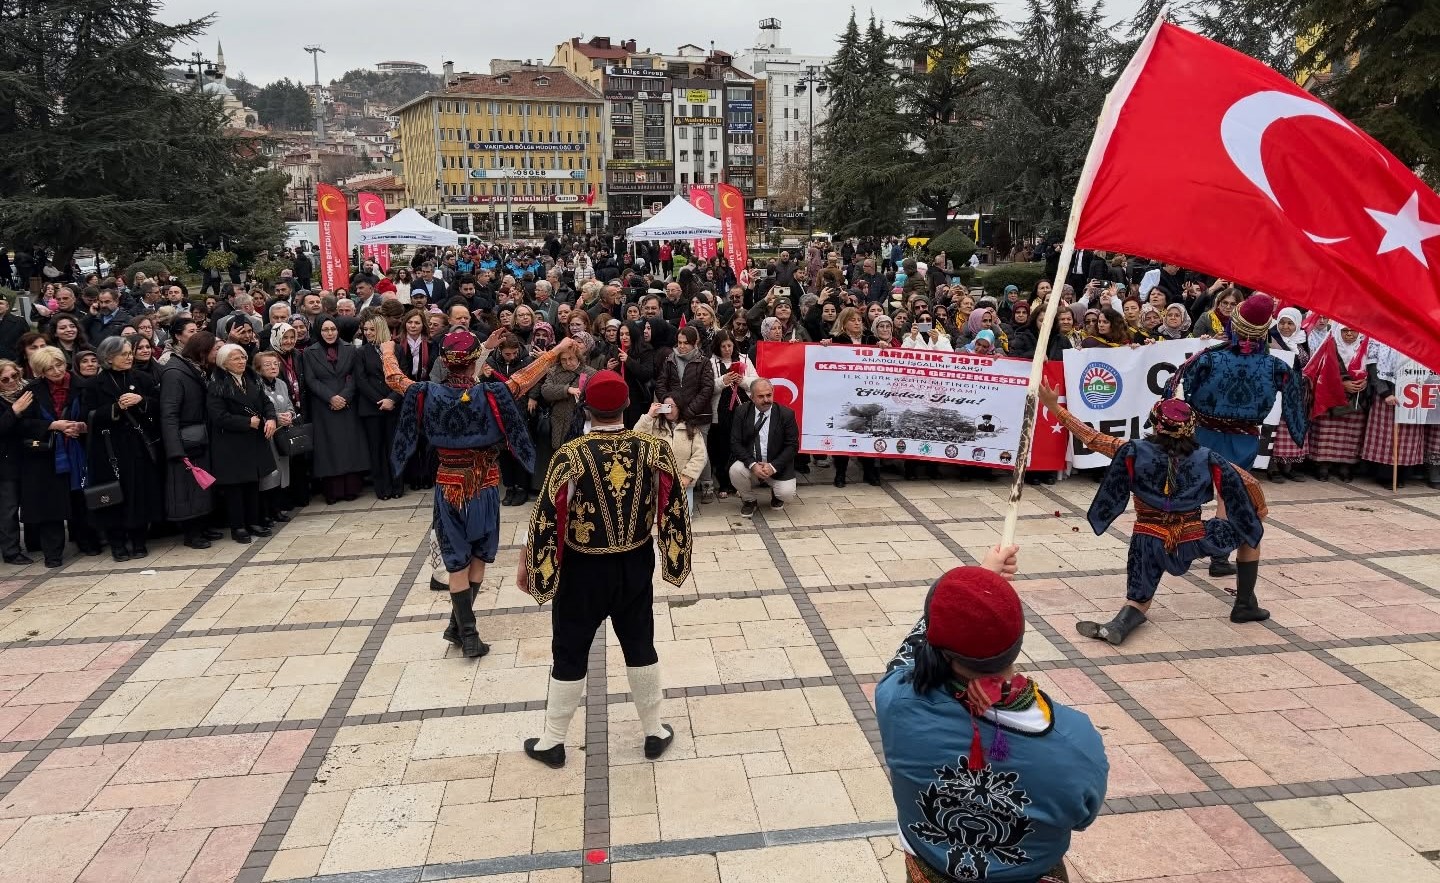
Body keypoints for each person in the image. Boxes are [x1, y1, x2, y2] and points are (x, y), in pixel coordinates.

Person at [877, 544, 1107, 883]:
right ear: (1018, 640)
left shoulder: (896, 701)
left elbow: (909, 652)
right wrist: (984, 593)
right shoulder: (1074, 740)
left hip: (930, 870)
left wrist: (980, 581)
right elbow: (1082, 816)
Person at [519, 370, 692, 768]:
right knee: (639, 643)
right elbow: (673, 504)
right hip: (634, 562)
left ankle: (553, 740)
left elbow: (548, 514)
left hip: (582, 568)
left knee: (570, 649)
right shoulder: (654, 449)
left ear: (586, 406)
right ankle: (653, 731)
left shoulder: (572, 454)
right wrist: (674, 555)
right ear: (627, 404)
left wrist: (535, 564)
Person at [382, 330, 572, 658]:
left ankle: (461, 629)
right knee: (479, 554)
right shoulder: (493, 393)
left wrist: (387, 350)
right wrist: (557, 350)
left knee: (456, 559)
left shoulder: (425, 393)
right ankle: (466, 633)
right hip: (484, 484)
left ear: (444, 361)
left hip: (448, 483)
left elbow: (393, 377)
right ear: (474, 363)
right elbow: (526, 378)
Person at [1038, 383, 1270, 642]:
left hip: (1147, 538)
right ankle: (1245, 605)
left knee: (1138, 600)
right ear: (1190, 429)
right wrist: (1259, 511)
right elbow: (1248, 481)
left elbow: (1091, 438)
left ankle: (1119, 625)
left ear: (1154, 423)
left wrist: (1053, 406)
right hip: (1193, 536)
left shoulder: (1133, 450)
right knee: (1252, 535)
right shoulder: (1208, 457)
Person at [1167, 293, 1306, 585]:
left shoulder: (1209, 357)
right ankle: (1219, 557)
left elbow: (1179, 384)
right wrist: (1297, 430)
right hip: (1244, 438)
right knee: (1229, 495)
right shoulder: (1277, 367)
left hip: (1204, 432)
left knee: (1190, 489)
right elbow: (1295, 399)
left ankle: (1178, 547)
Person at [84, 337, 164, 561]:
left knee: (139, 493)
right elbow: (88, 416)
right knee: (112, 496)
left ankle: (139, 540)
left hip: (138, 445)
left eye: (130, 352)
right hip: (109, 448)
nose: (130, 357)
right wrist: (115, 407)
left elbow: (158, 406)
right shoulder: (94, 384)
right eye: (124, 354)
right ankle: (117, 543)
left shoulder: (142, 378)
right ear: (108, 358)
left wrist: (141, 400)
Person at [17, 346, 98, 565]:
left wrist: (79, 427)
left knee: (81, 497)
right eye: (49, 368)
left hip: (78, 449)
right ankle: (52, 553)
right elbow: (22, 423)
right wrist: (53, 425)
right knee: (50, 504)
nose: (56, 370)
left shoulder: (83, 386)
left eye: (59, 364)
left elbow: (95, 415)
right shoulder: (32, 391)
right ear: (39, 371)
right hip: (46, 454)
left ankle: (87, 541)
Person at [207, 343, 277, 543]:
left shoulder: (251, 378)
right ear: (224, 362)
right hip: (231, 443)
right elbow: (218, 416)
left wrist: (271, 418)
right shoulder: (216, 384)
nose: (241, 362)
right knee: (235, 488)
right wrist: (247, 422)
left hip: (252, 441)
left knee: (252, 483)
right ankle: (238, 526)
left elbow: (266, 402)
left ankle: (253, 521)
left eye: (243, 357)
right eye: (235, 358)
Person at [159, 331, 220, 549]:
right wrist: (175, 448)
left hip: (200, 437)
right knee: (187, 488)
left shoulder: (199, 370)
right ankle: (191, 533)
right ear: (202, 351)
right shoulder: (175, 373)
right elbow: (169, 412)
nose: (218, 352)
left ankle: (203, 526)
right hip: (185, 441)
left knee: (202, 486)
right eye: (215, 349)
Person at [302, 317, 369, 504]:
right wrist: (331, 397)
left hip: (347, 403)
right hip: (324, 405)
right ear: (318, 331)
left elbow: (355, 376)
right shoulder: (309, 352)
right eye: (325, 330)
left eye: (333, 329)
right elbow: (311, 379)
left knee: (349, 445)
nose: (330, 333)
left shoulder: (350, 349)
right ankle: (333, 491)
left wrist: (344, 397)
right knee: (329, 448)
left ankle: (351, 489)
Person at [728, 378, 800, 516]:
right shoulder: (742, 412)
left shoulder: (786, 414)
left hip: (776, 464)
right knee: (735, 470)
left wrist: (773, 466)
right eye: (761, 396)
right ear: (752, 397)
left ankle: (776, 495)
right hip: (752, 462)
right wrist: (752, 464)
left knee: (787, 494)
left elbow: (792, 446)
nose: (766, 399)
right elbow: (735, 443)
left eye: (769, 395)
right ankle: (749, 500)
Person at [356, 317, 403, 500]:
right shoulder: (361, 352)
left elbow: (402, 375)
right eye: (365, 329)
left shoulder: (396, 349)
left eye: (371, 329)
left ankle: (397, 485)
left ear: (381, 329)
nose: (367, 333)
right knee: (377, 448)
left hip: (394, 406)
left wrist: (392, 399)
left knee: (394, 446)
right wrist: (380, 400)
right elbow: (361, 380)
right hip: (371, 408)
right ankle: (382, 487)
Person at [254, 351, 297, 525]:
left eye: (275, 364)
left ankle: (278, 509)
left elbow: (289, 405)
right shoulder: (255, 385)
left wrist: (289, 416)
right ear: (258, 369)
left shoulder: (281, 383)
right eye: (267, 365)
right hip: (266, 436)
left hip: (282, 436)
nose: (273, 367)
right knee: (268, 476)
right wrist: (273, 418)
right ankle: (266, 512)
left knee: (282, 473)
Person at [0, 362, 33, 564]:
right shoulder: (14, 403)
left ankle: (34, 542)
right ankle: (11, 551)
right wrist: (14, 411)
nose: (12, 382)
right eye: (5, 379)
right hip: (5, 462)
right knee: (8, 508)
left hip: (28, 457)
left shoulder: (27, 391)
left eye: (15, 376)